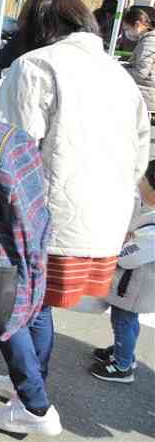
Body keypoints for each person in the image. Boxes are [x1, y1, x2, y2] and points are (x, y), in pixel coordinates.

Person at [0, 0, 150, 436]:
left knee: (13, 306)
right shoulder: (119, 75)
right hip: (103, 220)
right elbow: (139, 157)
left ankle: (35, 406)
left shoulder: (35, 66)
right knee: (36, 308)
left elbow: (12, 154)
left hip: (47, 216)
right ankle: (26, 389)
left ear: (38, 27)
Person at [91, 160, 155, 383]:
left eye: (144, 180)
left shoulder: (153, 230)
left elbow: (130, 257)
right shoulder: (150, 214)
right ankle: (125, 353)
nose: (140, 182)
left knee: (123, 321)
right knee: (128, 321)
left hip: (133, 288)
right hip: (136, 286)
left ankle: (122, 365)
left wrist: (116, 249)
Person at [122, 6, 155, 112]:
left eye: (127, 29)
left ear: (137, 25)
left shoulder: (148, 42)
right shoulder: (146, 40)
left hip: (145, 95)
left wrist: (118, 71)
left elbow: (140, 73)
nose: (126, 33)